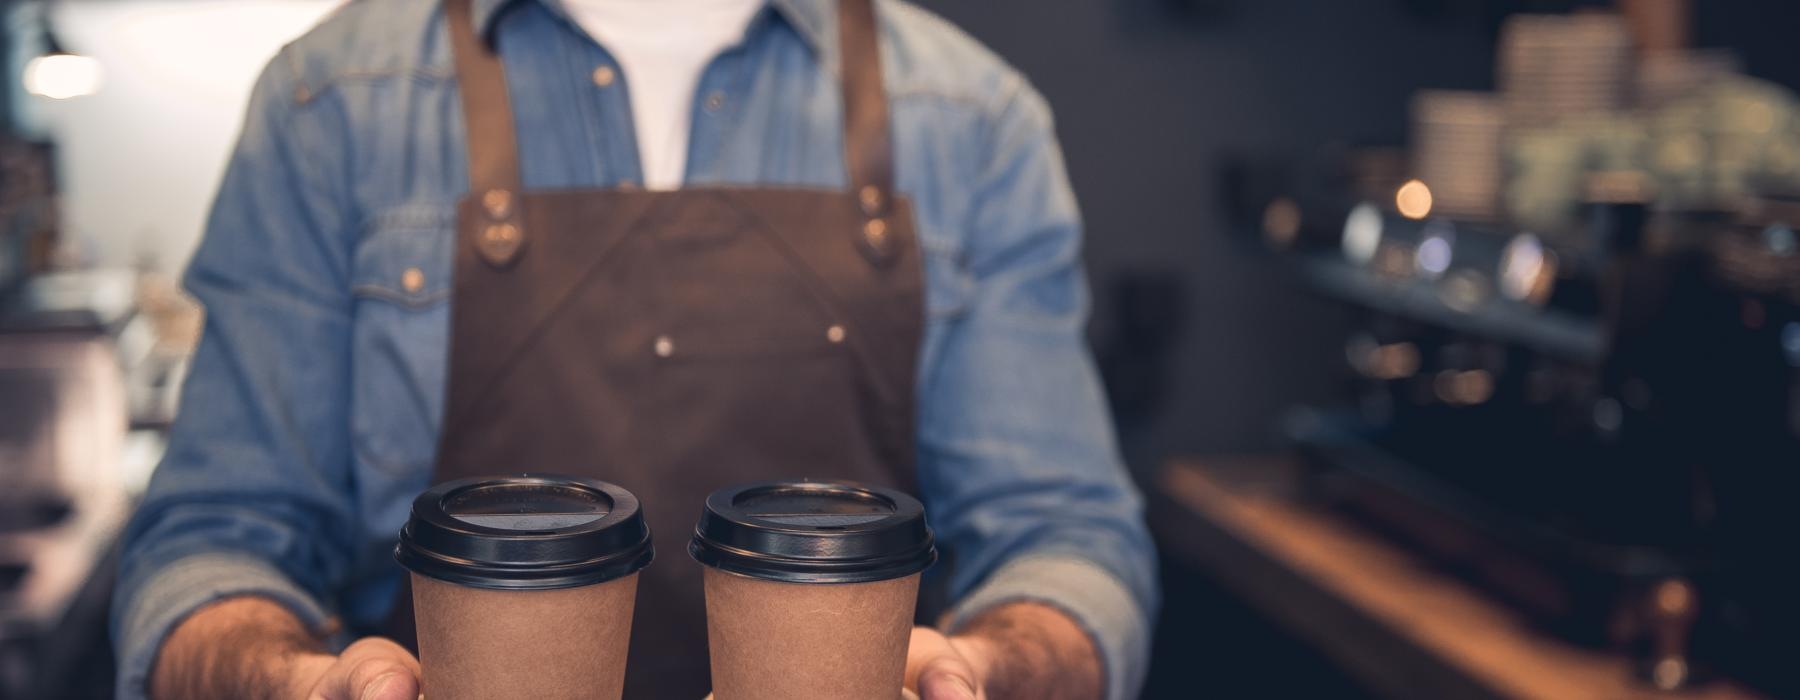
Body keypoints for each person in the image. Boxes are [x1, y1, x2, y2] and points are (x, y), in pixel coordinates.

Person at [112, 0, 1157, 698]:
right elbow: (210, 541)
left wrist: (978, 666)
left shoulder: (974, 120)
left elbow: (1069, 537)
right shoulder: (326, 105)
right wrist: (301, 679)